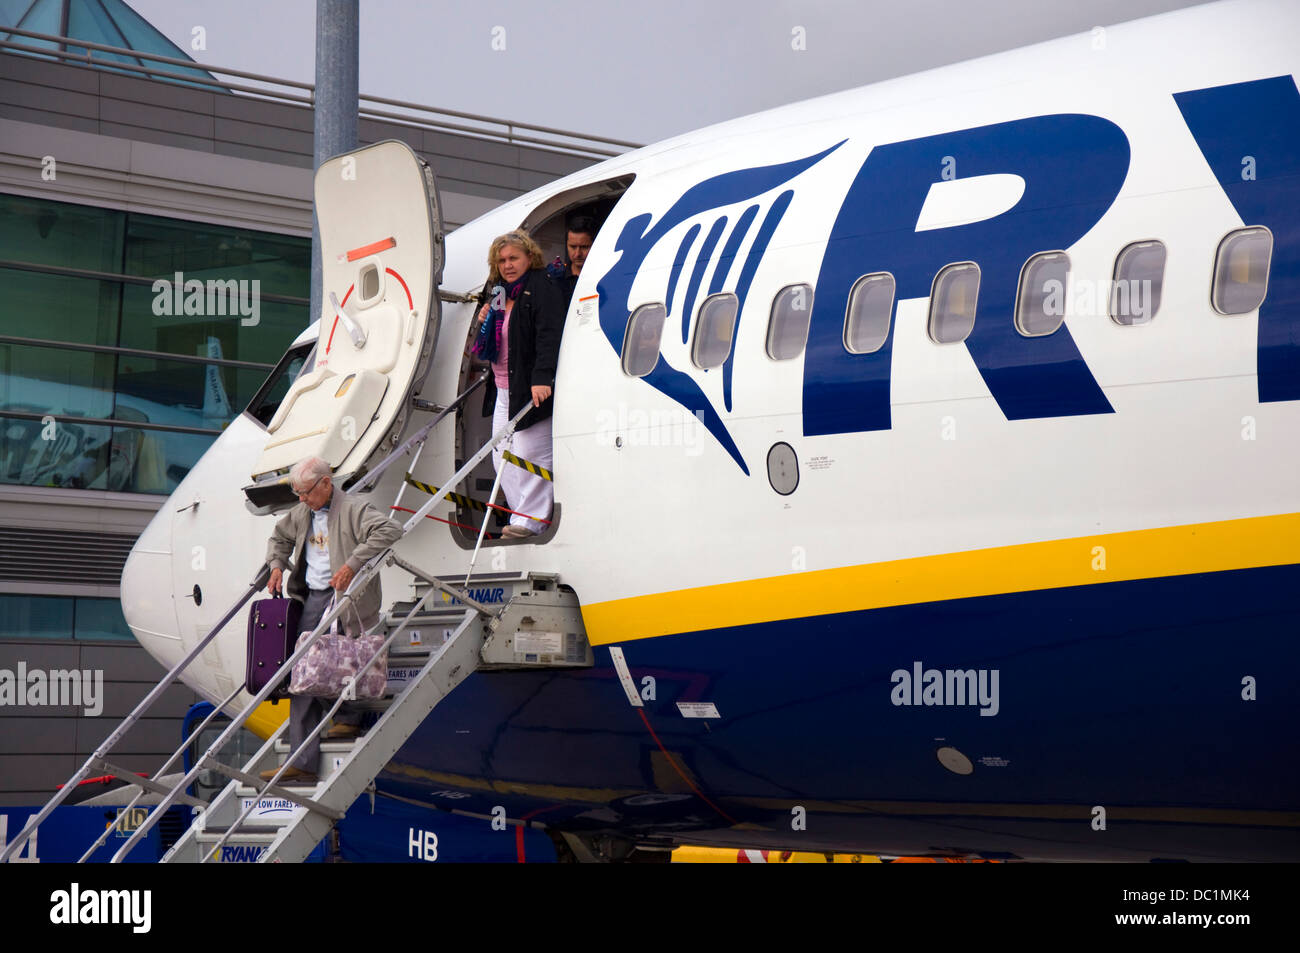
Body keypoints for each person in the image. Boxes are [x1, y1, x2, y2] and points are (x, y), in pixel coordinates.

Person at [260, 456, 403, 782]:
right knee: (305, 672)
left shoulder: (353, 509)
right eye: (297, 493)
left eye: (306, 492)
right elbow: (278, 538)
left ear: (326, 483)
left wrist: (352, 564)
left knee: (338, 665)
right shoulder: (302, 513)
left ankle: (347, 718)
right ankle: (303, 758)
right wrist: (277, 566)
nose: (302, 499)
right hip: (312, 598)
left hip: (347, 598)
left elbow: (390, 529)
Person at [471, 229, 564, 539]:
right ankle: (520, 513)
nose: (507, 265)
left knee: (530, 453)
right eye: (501, 260)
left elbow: (548, 335)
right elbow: (490, 341)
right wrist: (486, 317)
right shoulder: (499, 293)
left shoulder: (540, 287)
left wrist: (542, 378)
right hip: (502, 388)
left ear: (529, 258)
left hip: (528, 386)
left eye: (513, 258)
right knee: (501, 455)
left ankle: (534, 520)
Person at [550, 215, 596, 307]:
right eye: (573, 247)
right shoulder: (554, 279)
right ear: (566, 245)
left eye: (584, 247)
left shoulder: (605, 278)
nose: (577, 254)